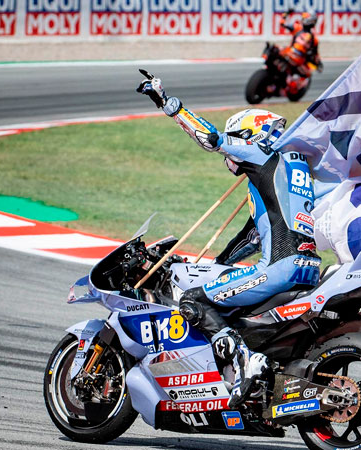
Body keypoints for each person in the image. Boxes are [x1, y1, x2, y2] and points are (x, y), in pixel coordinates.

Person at [137, 73, 321, 408]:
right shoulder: (296, 168)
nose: (230, 156)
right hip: (309, 267)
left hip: (280, 267)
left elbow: (210, 138)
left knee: (193, 300)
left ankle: (245, 363)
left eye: (237, 139)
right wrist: (219, 265)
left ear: (250, 135)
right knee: (224, 295)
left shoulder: (261, 154)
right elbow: (253, 236)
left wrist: (168, 104)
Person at [278, 11, 322, 77]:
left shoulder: (314, 39)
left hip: (298, 60)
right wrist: (286, 14)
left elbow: (315, 54)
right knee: (277, 50)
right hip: (290, 53)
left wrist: (318, 63)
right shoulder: (297, 27)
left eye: (304, 17)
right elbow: (282, 24)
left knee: (307, 74)